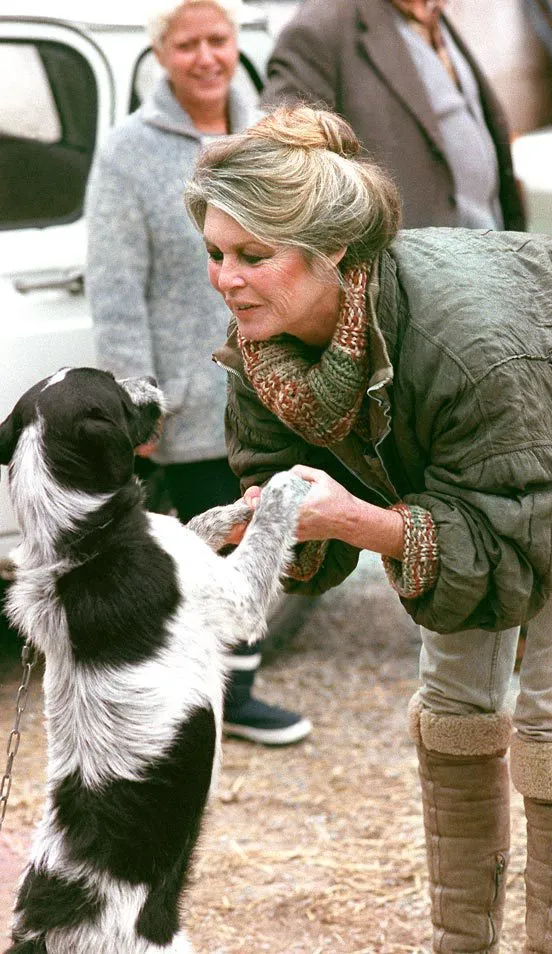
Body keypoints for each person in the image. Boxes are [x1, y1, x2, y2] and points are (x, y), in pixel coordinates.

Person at [183, 105, 552, 952]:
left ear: (332, 257)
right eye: (216, 253)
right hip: (472, 448)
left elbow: (506, 557)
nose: (226, 278)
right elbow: (282, 486)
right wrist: (263, 525)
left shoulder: (474, 347)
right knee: (453, 701)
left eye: (252, 256)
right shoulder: (268, 339)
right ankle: (461, 940)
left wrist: (359, 520)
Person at [85, 0, 312, 746]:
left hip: (274, 382)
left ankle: (230, 689)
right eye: (188, 44)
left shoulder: (268, 138)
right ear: (163, 54)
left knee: (272, 525)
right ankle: (218, 696)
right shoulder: (128, 150)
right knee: (209, 544)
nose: (207, 57)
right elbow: (114, 282)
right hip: (189, 398)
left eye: (219, 39)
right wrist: (135, 402)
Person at [260, 0, 525, 231]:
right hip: (406, 268)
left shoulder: (432, 14)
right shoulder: (322, 23)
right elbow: (286, 154)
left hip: (486, 250)